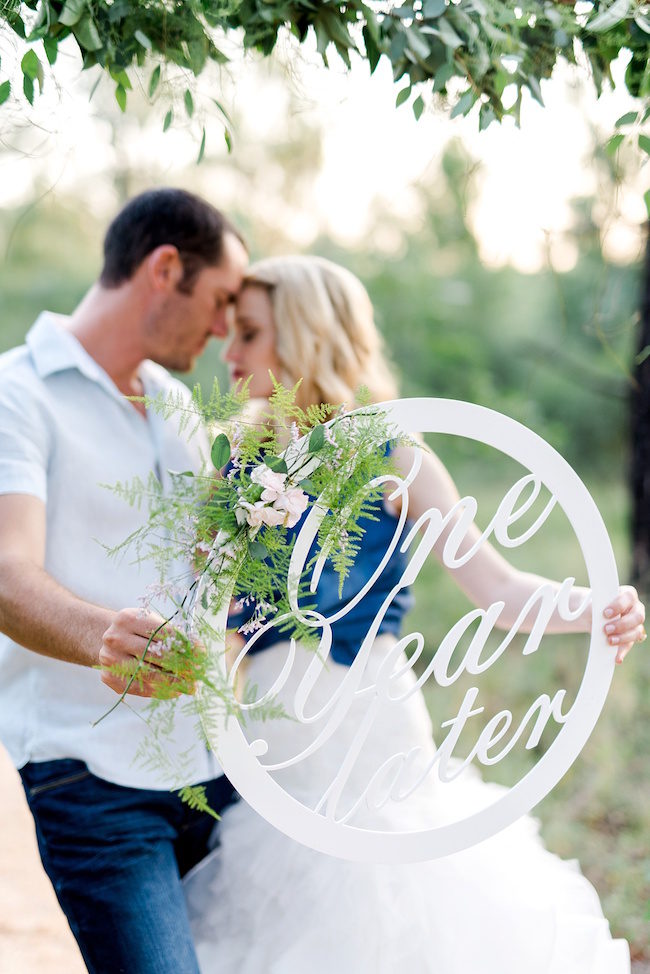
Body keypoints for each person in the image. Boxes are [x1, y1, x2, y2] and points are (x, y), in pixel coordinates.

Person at [183, 254, 644, 973]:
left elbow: (497, 588)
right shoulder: (235, 466)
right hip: (279, 748)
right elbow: (211, 618)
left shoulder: (397, 456)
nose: (228, 352)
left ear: (305, 338)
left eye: (248, 333)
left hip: (374, 736)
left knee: (400, 926)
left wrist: (594, 608)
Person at [0, 188, 248, 974]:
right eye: (218, 301)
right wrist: (102, 634)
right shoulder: (17, 393)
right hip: (93, 777)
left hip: (221, 771)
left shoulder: (178, 406)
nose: (222, 328)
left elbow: (213, 568)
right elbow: (7, 568)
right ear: (165, 268)